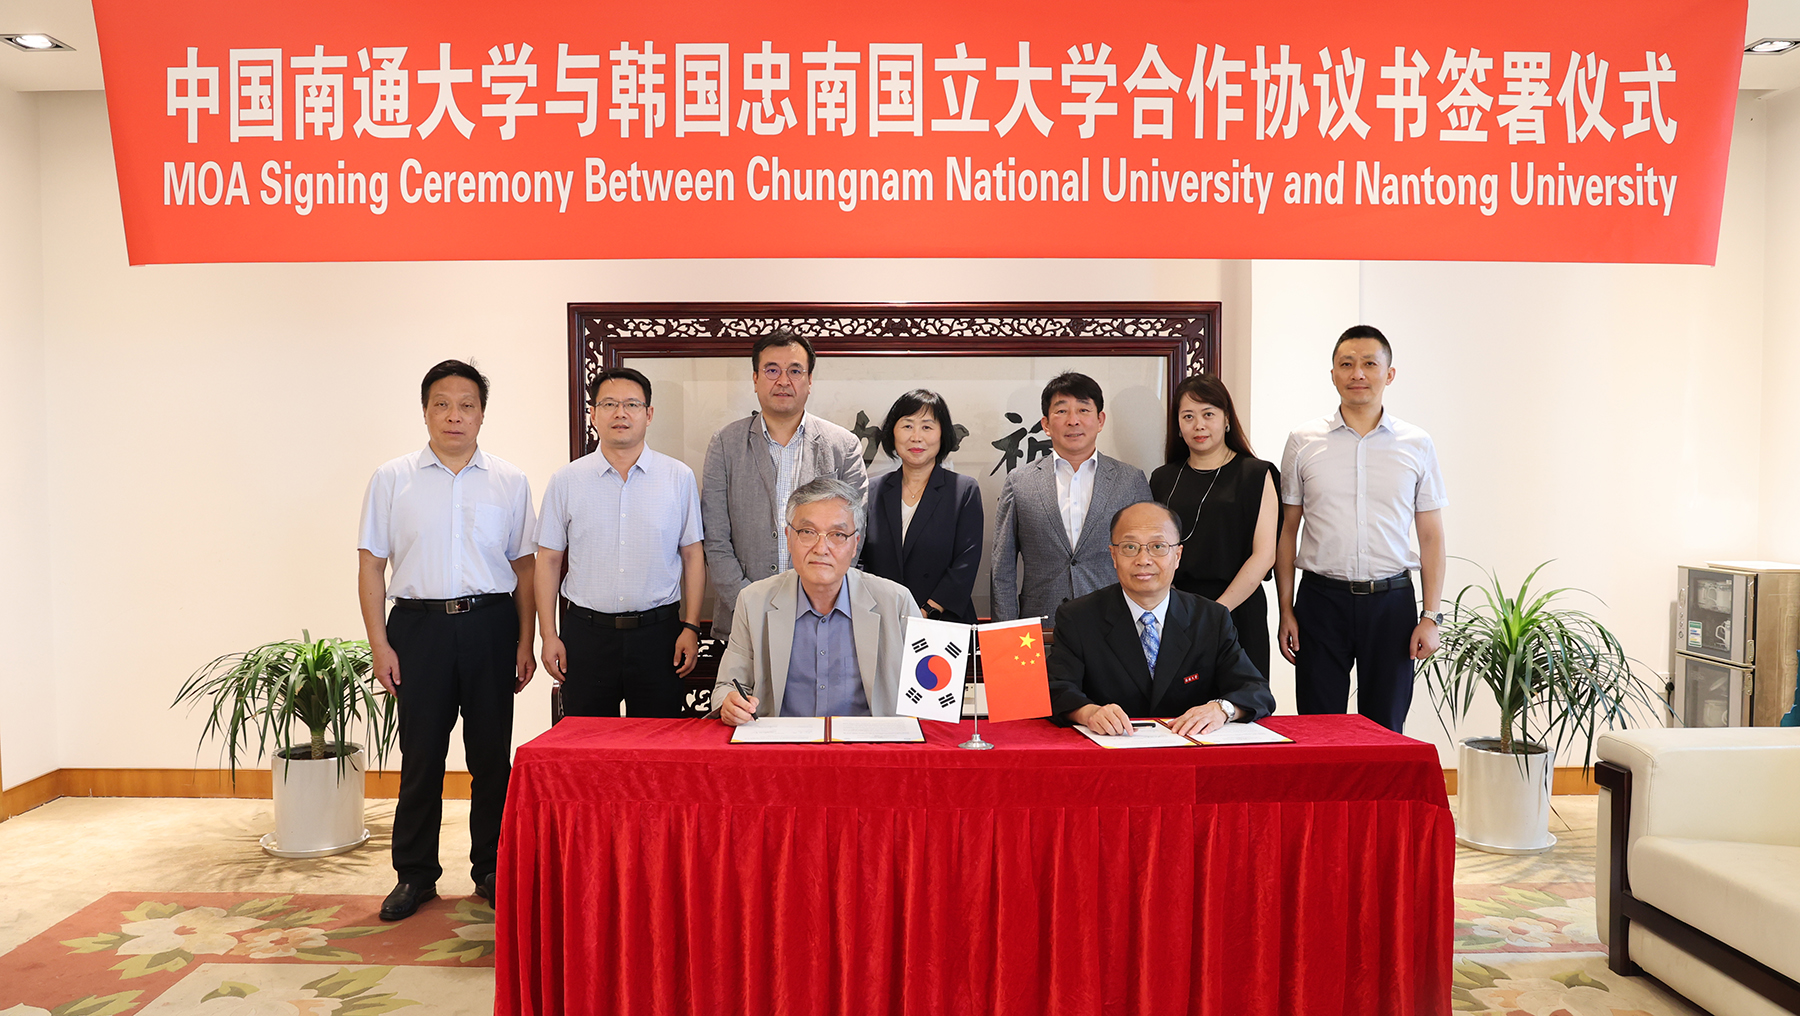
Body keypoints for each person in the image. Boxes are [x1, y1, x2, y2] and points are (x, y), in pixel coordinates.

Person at [356, 360, 537, 920]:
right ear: (425, 411)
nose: (454, 415)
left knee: (491, 759)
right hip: (418, 629)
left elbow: (525, 567)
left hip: (490, 626)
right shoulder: (392, 479)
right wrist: (380, 646)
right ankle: (415, 875)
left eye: (466, 405)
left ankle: (491, 868)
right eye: (442, 404)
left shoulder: (510, 480)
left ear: (482, 414)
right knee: (422, 758)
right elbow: (371, 566)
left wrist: (525, 641)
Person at [1275, 325, 1448, 734]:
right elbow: (1287, 531)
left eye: (1370, 363)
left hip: (1391, 604)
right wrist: (1285, 611)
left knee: (1385, 728)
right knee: (1318, 726)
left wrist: (1431, 616)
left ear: (1389, 374)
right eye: (1347, 364)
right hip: (1320, 602)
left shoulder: (1417, 443)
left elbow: (1431, 537)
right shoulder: (1303, 441)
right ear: (1332, 374)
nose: (1358, 373)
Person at [534, 366, 706, 719]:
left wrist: (690, 626)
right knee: (588, 742)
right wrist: (548, 635)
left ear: (649, 414)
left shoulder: (678, 477)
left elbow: (692, 556)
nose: (621, 413)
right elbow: (548, 561)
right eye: (609, 404)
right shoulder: (567, 480)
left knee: (657, 742)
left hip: (659, 635)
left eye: (632, 404)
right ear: (593, 414)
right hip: (586, 635)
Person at [1046, 501, 1275, 735]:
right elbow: (1057, 690)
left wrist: (1221, 709)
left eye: (1157, 546)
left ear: (1177, 556)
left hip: (1188, 747)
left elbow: (1255, 691)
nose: (1143, 559)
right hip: (1112, 747)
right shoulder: (1078, 617)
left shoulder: (1210, 618)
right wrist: (1089, 713)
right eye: (1130, 547)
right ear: (1113, 555)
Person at [714, 477, 921, 724]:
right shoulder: (754, 601)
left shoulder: (896, 602)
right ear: (789, 538)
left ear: (855, 544)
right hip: (781, 743)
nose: (821, 548)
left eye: (837, 534)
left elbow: (928, 693)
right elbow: (727, 687)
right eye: (808, 532)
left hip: (869, 743)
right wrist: (730, 703)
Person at [701, 330, 866, 640]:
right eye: (772, 370)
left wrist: (815, 601)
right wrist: (750, 605)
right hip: (742, 619)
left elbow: (853, 534)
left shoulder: (842, 446)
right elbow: (715, 539)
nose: (783, 381)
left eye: (795, 371)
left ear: (809, 380)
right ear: (755, 379)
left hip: (822, 618)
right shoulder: (725, 443)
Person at [991, 372, 1152, 622]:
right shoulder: (1020, 482)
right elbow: (1002, 567)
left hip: (1115, 622)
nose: (1073, 421)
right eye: (1061, 411)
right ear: (1046, 424)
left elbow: (1148, 557)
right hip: (1042, 624)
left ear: (1100, 420)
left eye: (1083, 410)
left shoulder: (1130, 480)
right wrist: (1006, 632)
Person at [1149, 374, 1281, 678]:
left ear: (1227, 419)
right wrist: (1174, 606)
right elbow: (1154, 547)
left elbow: (1264, 555)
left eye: (1208, 414)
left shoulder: (1256, 474)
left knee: (1241, 699)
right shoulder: (1162, 478)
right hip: (1177, 611)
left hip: (1238, 607)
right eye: (1188, 416)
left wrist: (1217, 611)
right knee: (1180, 700)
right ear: (1178, 425)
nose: (1199, 425)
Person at [860, 390, 984, 623]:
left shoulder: (963, 490)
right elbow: (858, 559)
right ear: (893, 433)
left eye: (927, 427)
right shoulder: (872, 491)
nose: (916, 437)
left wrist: (925, 612)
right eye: (907, 426)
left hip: (942, 623)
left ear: (942, 434)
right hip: (882, 620)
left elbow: (965, 564)